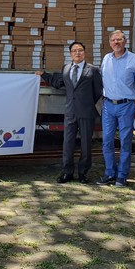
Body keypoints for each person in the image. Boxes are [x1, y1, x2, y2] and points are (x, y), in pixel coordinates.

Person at [38, 42, 103, 184]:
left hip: (86, 112)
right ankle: (67, 172)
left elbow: (98, 90)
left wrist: (86, 102)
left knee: (86, 144)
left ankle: (83, 173)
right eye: (74, 51)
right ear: (70, 53)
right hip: (70, 112)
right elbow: (58, 83)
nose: (77, 53)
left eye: (80, 50)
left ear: (84, 52)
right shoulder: (66, 68)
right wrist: (44, 75)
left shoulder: (93, 70)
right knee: (67, 143)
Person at [96, 30, 135, 187]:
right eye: (113, 40)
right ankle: (109, 173)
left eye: (120, 39)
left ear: (125, 41)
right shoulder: (106, 58)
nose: (116, 42)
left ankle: (122, 176)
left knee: (125, 141)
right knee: (107, 141)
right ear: (110, 43)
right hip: (109, 105)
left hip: (127, 106)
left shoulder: (134, 59)